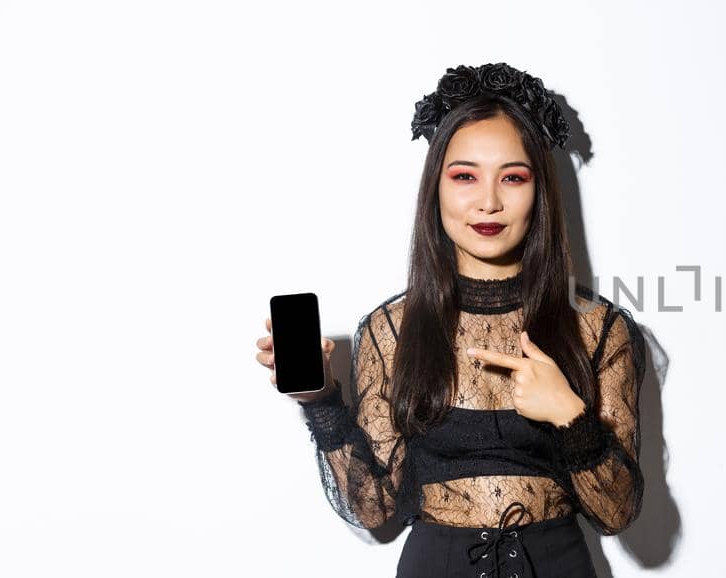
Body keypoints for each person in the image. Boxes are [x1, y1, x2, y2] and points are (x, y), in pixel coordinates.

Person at [253, 63, 645, 578]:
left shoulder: (596, 329)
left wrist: (570, 416)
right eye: (464, 176)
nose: (488, 201)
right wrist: (321, 401)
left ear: (539, 192)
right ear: (435, 188)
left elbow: (616, 514)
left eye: (513, 177)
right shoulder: (391, 329)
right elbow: (373, 508)